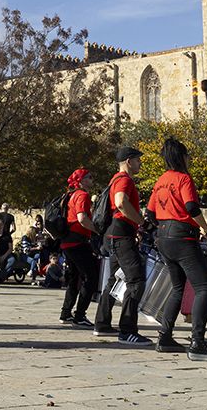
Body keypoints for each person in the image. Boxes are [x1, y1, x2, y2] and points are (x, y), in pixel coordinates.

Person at [147, 136, 207, 362]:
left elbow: (150, 214)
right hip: (182, 239)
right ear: (181, 157)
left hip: (163, 237)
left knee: (177, 287)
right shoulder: (183, 179)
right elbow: (191, 207)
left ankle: (165, 336)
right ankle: (198, 342)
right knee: (204, 287)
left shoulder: (160, 180)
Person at [94, 145, 152, 345]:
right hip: (121, 234)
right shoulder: (124, 180)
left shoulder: (114, 180)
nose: (140, 163)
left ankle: (102, 324)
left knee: (114, 280)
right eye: (137, 160)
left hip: (114, 234)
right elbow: (120, 203)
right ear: (129, 161)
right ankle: (127, 330)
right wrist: (141, 222)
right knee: (136, 281)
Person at [57, 168, 100, 329]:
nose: (92, 180)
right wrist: (96, 230)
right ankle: (80, 315)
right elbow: (82, 218)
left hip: (67, 241)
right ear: (81, 180)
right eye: (89, 177)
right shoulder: (82, 195)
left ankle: (66, 313)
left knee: (74, 278)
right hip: (78, 242)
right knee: (91, 277)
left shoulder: (71, 194)